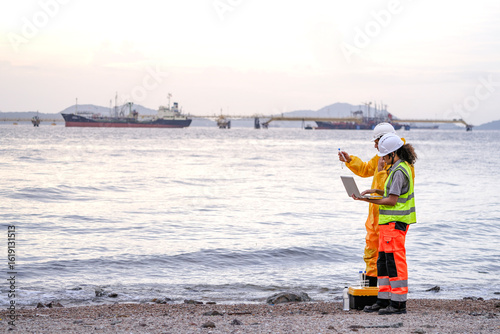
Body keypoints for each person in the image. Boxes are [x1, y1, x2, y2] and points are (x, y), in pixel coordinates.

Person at [352, 133, 417, 315]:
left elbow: (391, 200)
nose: (382, 159)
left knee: (395, 263)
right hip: (387, 225)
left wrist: (368, 200)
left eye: (384, 156)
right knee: (383, 263)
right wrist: (374, 190)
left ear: (392, 154)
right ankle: (383, 299)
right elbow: (391, 192)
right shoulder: (398, 168)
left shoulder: (398, 171)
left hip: (395, 224)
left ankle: (397, 304)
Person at [337, 123, 397, 287]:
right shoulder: (380, 158)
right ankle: (370, 290)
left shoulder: (400, 162)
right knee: (371, 253)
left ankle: (387, 293)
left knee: (387, 256)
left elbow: (393, 191)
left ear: (385, 139)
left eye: (376, 141)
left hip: (389, 216)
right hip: (375, 216)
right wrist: (349, 160)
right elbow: (365, 169)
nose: (375, 145)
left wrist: (382, 170)